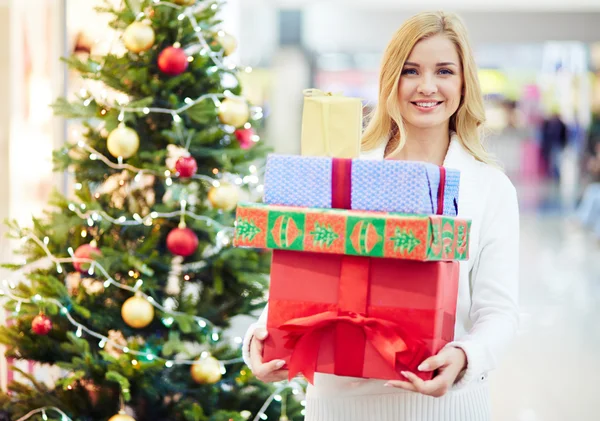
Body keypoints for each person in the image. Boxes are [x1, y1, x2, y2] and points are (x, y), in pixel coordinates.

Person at [243, 11, 520, 421]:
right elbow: (301, 276)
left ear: (464, 83)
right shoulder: (343, 172)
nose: (427, 86)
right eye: (411, 71)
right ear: (391, 79)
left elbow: (499, 311)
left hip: (444, 408)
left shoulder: (489, 187)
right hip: (340, 406)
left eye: (444, 70)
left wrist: (464, 357)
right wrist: (259, 341)